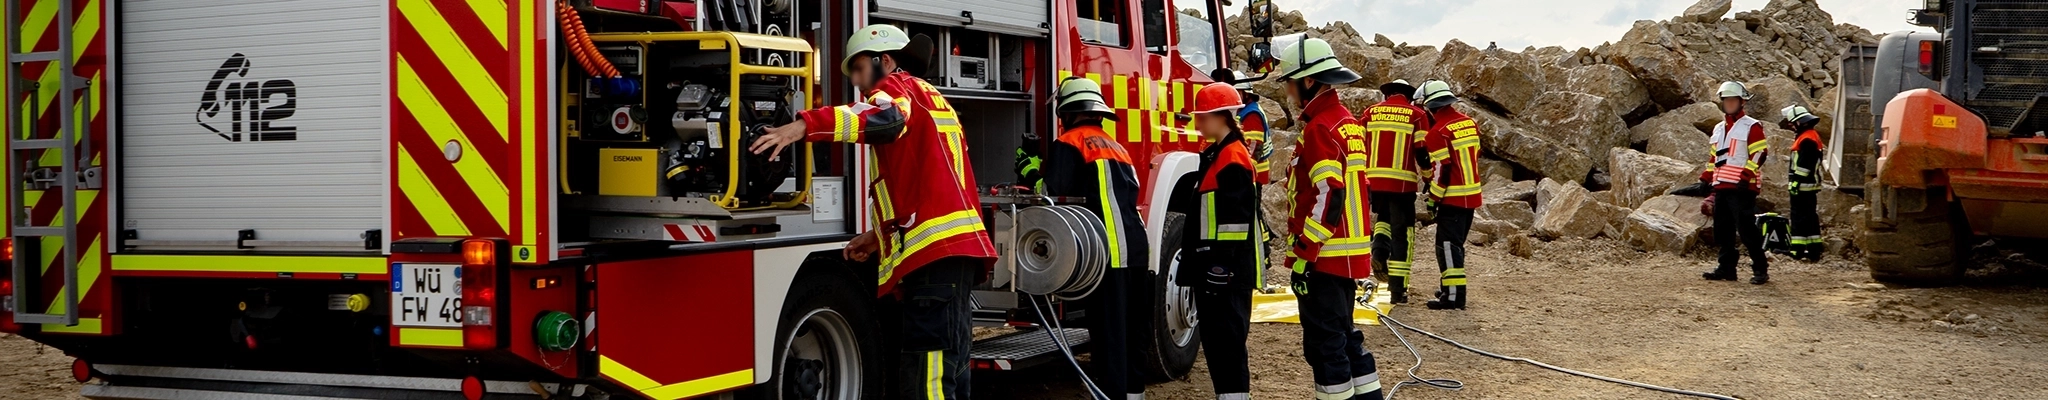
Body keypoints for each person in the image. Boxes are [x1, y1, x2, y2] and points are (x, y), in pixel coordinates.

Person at [748, 24, 996, 400]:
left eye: (860, 70)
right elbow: (924, 186)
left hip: (934, 259)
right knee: (951, 368)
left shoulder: (896, 88)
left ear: (885, 61)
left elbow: (886, 119)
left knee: (925, 377)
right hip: (954, 255)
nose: (860, 86)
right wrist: (878, 238)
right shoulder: (930, 95)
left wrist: (803, 125)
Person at [1271, 37, 1384, 400]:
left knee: (1325, 347)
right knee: (1346, 338)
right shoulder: (1346, 122)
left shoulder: (1321, 127)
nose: (1287, 90)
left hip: (1325, 257)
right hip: (1346, 257)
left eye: (1289, 81)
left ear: (1308, 82)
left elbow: (1328, 194)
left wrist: (1305, 252)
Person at [1043, 76, 1152, 400]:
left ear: (1067, 112)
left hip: (1105, 254)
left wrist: (1031, 168)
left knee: (1108, 339)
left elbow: (1051, 194)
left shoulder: (1070, 141)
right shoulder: (1117, 147)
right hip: (1136, 250)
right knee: (1134, 334)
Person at [1171, 82, 1265, 400]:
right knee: (1218, 346)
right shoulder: (1218, 154)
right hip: (1216, 269)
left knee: (1227, 347)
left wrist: (1221, 265)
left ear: (1219, 117)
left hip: (1226, 273)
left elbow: (1235, 223)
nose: (1197, 124)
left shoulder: (1232, 158)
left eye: (1202, 117)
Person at [1413, 80, 1481, 311]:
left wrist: (1433, 199)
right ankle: (1448, 288)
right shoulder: (1470, 124)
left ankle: (1453, 297)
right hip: (1471, 195)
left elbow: (1443, 170)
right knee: (1457, 245)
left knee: (1447, 247)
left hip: (1452, 197)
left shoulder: (1437, 133)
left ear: (1430, 107)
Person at [1361, 79, 1426, 304]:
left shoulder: (1370, 113)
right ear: (1408, 95)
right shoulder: (1416, 115)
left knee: (1383, 219)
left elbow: (1359, 144)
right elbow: (1421, 152)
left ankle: (1378, 251)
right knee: (1403, 233)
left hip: (1375, 181)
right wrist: (1427, 178)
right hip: (1402, 184)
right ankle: (1398, 290)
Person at [1701, 81, 1772, 285]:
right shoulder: (1719, 128)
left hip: (1742, 188)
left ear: (1741, 102)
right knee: (1722, 231)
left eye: (1733, 100)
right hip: (1722, 185)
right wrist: (1706, 178)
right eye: (1726, 100)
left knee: (1747, 230)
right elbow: (1715, 157)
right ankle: (1726, 269)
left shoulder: (1752, 125)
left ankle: (1760, 269)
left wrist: (1746, 176)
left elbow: (1759, 153)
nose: (1729, 103)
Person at [1781, 105, 1826, 262]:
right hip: (1809, 185)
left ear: (1800, 123)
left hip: (1803, 186)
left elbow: (1804, 165)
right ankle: (1814, 250)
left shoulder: (1806, 139)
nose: (1792, 127)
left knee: (1799, 217)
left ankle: (1797, 249)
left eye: (1792, 124)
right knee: (1809, 217)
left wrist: (1796, 182)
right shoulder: (1811, 136)